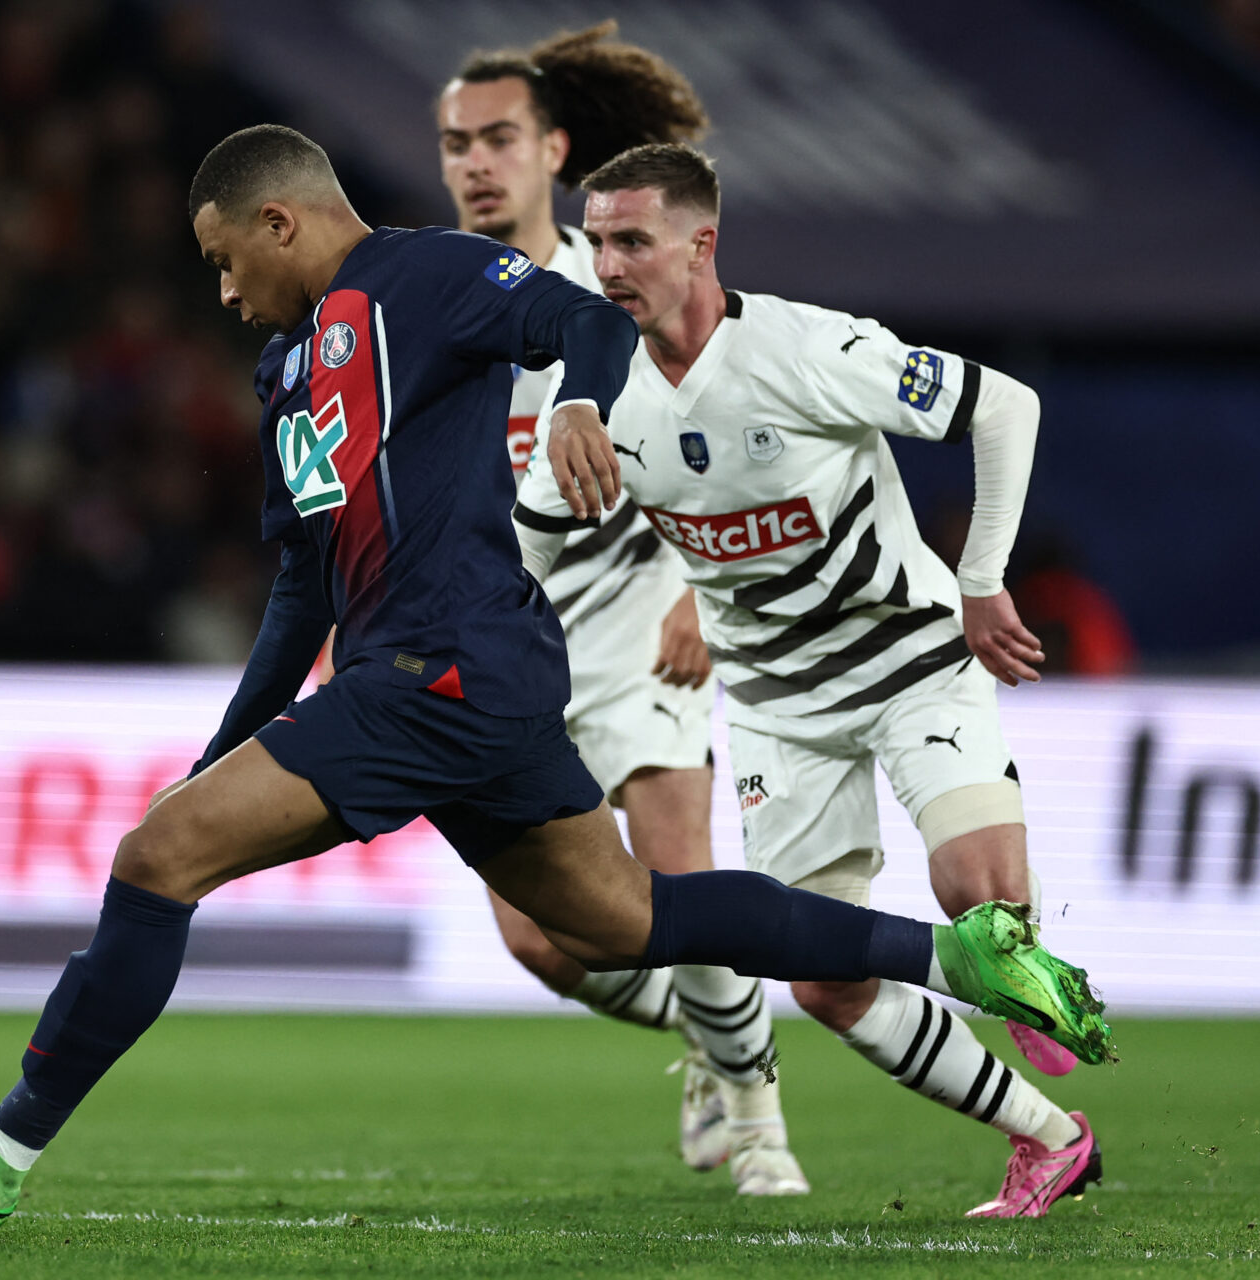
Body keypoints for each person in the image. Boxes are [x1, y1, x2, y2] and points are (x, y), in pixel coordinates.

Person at [0, 125, 1109, 1239]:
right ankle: (962, 958)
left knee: (152, 863)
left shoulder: (423, 275)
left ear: (281, 220)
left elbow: (584, 320)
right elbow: (303, 585)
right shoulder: (288, 375)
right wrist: (222, 748)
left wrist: (583, 408)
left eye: (228, 259)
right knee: (631, 922)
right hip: (459, 679)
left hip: (441, 668)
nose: (225, 291)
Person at [513, 143, 1104, 1219]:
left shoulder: (809, 348)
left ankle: (1017, 963)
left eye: (631, 240)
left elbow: (1003, 406)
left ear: (702, 245)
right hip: (781, 709)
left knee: (980, 903)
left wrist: (980, 581)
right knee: (824, 982)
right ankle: (1049, 1139)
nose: (606, 263)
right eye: (596, 239)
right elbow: (531, 544)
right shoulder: (593, 397)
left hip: (909, 657)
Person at [435, 25, 799, 1193]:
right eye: (455, 143)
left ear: (554, 149)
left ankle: (760, 1128)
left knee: (679, 870)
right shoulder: (419, 300)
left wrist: (705, 585)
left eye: (498, 138)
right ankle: (713, 1036)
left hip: (638, 615)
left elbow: (727, 440)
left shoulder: (618, 277)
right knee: (545, 937)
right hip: (499, 650)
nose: (475, 163)